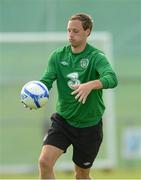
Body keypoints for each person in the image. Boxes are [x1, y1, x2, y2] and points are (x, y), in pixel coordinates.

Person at [38, 13, 118, 179]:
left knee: (81, 176)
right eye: (68, 31)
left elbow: (112, 78)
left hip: (89, 126)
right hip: (63, 121)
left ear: (87, 31)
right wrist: (34, 92)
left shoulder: (96, 57)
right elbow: (46, 81)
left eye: (75, 31)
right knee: (44, 162)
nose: (70, 35)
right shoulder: (58, 56)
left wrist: (90, 85)